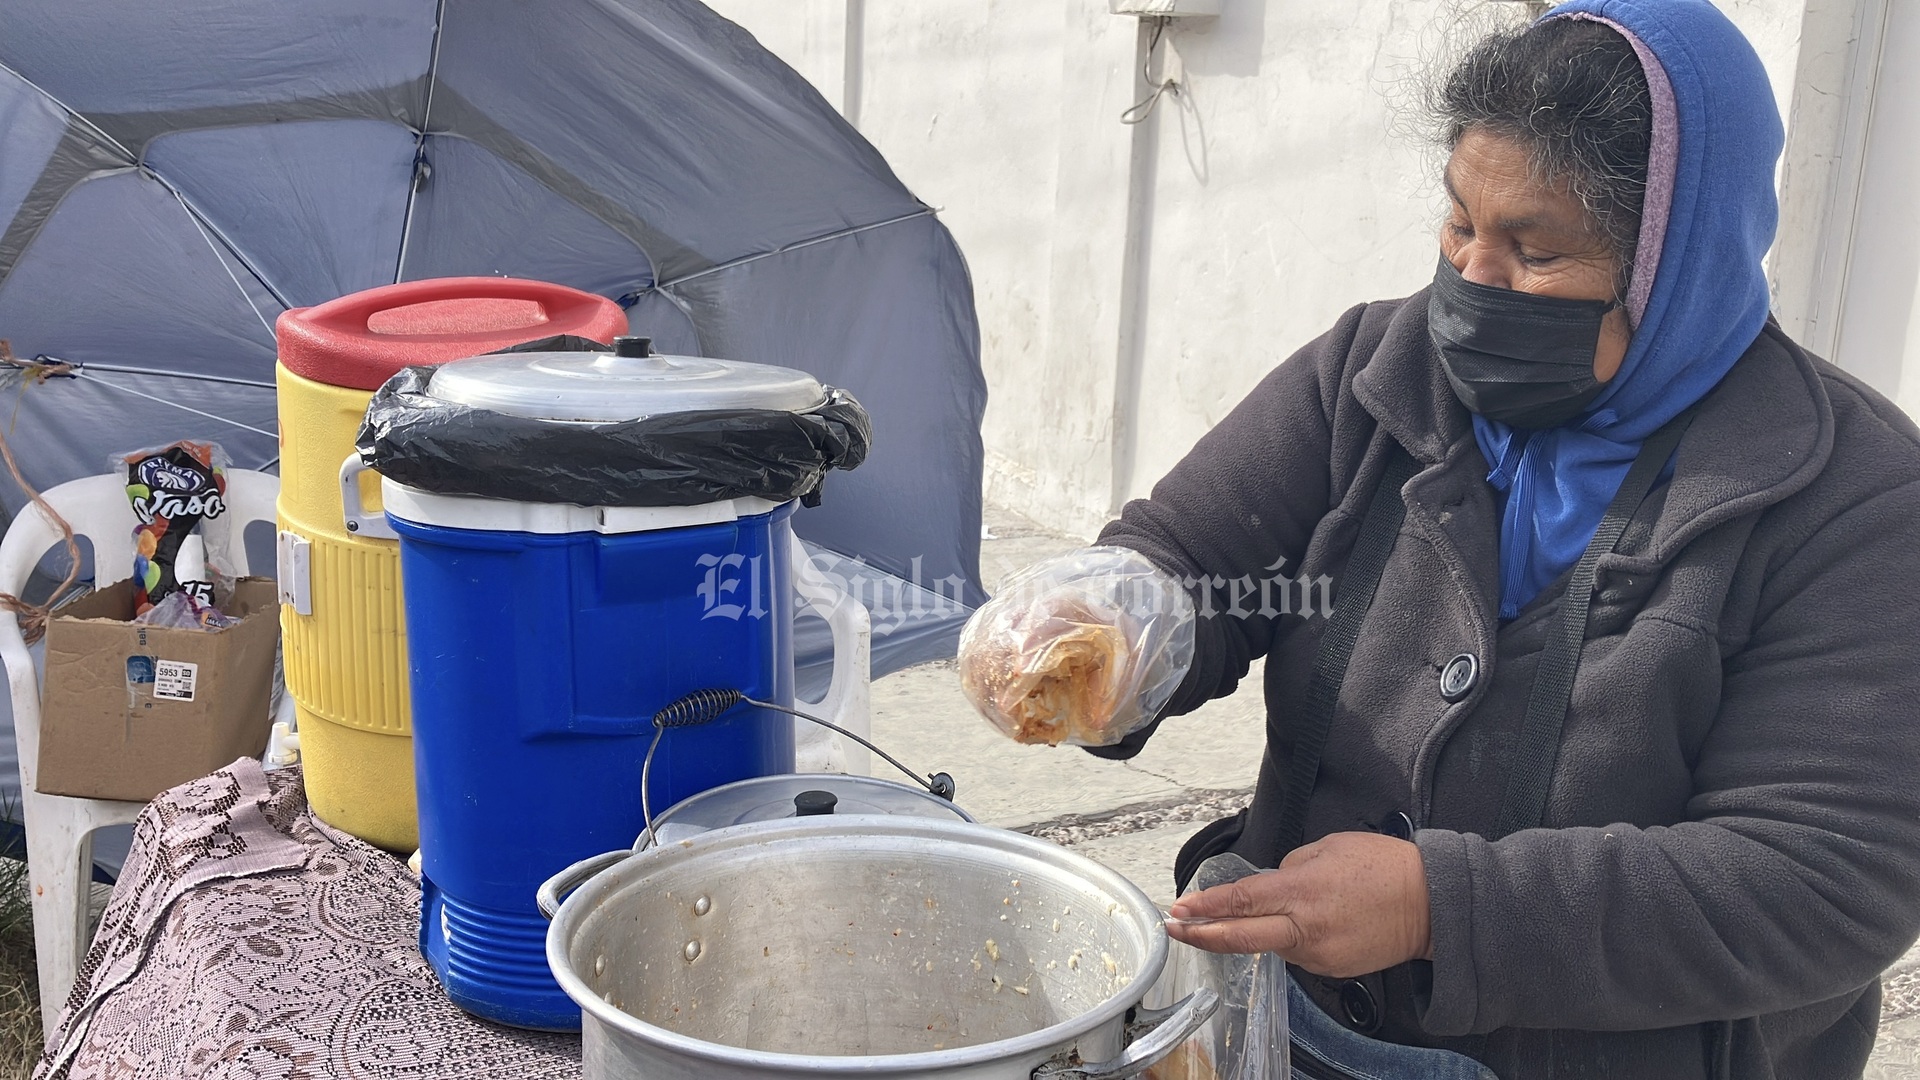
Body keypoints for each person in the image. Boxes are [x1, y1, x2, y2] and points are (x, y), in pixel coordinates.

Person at [956, 1, 1920, 1076]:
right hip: (1301, 1026)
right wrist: (1113, 616)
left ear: (1674, 258)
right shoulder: (1378, 370)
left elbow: (1823, 876)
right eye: (1458, 223)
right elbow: (1198, 556)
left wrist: (1441, 908)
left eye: (1534, 250)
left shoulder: (1852, 497)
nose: (1471, 277)